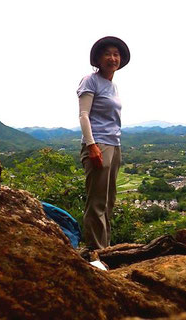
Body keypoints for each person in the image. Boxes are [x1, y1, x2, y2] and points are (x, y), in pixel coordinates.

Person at [76, 36, 130, 252]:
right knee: (97, 202)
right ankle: (96, 252)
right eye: (107, 53)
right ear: (98, 58)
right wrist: (91, 145)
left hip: (113, 144)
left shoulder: (113, 86)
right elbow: (83, 115)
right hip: (98, 144)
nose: (112, 58)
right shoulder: (90, 80)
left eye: (116, 54)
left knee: (108, 201)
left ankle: (105, 249)